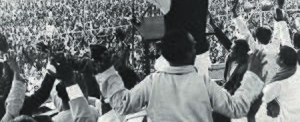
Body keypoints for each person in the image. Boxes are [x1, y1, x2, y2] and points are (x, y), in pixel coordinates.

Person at [93, 29, 267, 122]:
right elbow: (237, 108)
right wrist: (253, 74)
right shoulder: (203, 83)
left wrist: (108, 72)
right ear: (188, 53)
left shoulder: (153, 82)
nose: (195, 49)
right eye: (193, 46)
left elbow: (121, 106)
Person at [256, 46, 299, 122]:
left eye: (278, 54)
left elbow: (263, 97)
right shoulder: (296, 70)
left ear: (282, 61)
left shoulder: (278, 84)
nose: (276, 54)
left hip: (286, 117)